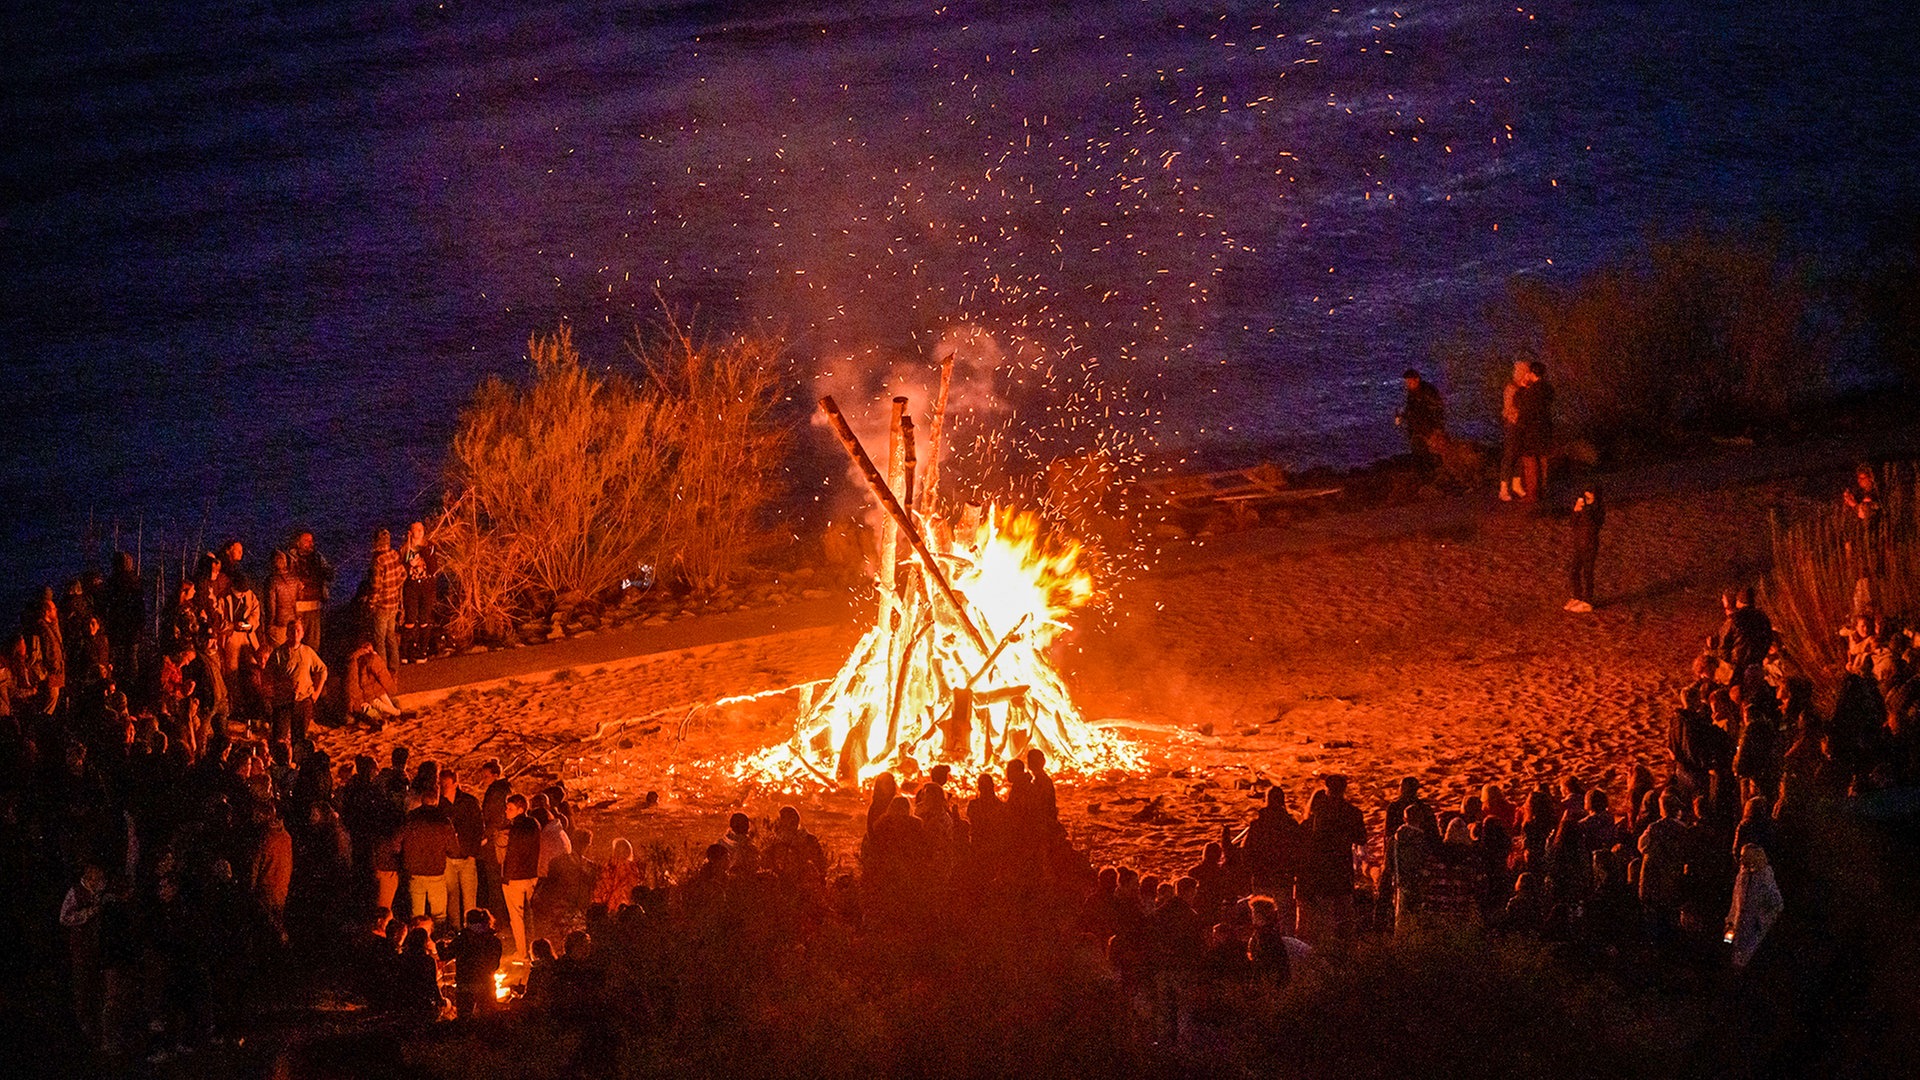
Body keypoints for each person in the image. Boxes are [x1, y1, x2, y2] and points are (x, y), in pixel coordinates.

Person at [401, 790, 459, 929]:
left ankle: (417, 941)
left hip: (414, 871)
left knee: (416, 914)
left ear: (422, 800)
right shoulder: (443, 820)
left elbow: (401, 842)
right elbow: (453, 849)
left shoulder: (411, 818)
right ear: (436, 800)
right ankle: (437, 941)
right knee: (439, 914)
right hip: (435, 872)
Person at [267, 618, 327, 749]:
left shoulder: (307, 652)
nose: (295, 633)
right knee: (279, 737)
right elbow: (268, 674)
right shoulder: (278, 653)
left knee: (299, 737)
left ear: (303, 633)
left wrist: (316, 693)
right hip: (283, 701)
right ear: (287, 633)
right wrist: (274, 690)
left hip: (304, 699)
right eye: (292, 631)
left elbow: (323, 670)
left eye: (298, 630)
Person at [1725, 843, 1782, 969]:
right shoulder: (1742, 876)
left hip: (1754, 929)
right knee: (1730, 949)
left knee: (1748, 958)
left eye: (1744, 856)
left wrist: (1760, 921)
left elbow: (1776, 904)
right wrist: (1730, 921)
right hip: (1738, 925)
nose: (1741, 859)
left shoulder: (1765, 878)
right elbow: (1736, 900)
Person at [439, 769, 484, 927]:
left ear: (455, 784)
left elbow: (479, 828)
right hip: (449, 857)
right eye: (441, 784)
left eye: (446, 784)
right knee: (452, 897)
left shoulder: (469, 802)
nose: (443, 787)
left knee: (469, 898)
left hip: (466, 857)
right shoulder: (440, 804)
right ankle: (456, 929)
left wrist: (473, 854)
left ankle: (471, 930)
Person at [501, 794, 541, 960]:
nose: (506, 811)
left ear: (520, 809)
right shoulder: (534, 824)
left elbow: (513, 855)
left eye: (510, 809)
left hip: (515, 878)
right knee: (532, 915)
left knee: (516, 918)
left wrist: (506, 877)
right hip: (532, 875)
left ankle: (522, 952)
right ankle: (537, 950)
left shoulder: (516, 828)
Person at [450, 909, 504, 1018]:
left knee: (464, 1020)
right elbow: (494, 966)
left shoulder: (461, 940)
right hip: (486, 985)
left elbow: (445, 955)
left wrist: (440, 945)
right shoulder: (494, 941)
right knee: (488, 1019)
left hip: (465, 985)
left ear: (467, 922)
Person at [399, 521, 439, 664]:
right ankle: (404, 651)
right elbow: (399, 569)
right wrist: (409, 564)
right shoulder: (405, 549)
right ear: (411, 532)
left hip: (427, 586)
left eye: (421, 529)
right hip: (411, 587)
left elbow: (434, 568)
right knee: (410, 619)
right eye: (416, 529)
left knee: (424, 619)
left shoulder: (430, 546)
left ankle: (422, 651)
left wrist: (424, 553)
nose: (420, 531)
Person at [367, 528, 405, 677]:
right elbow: (403, 574)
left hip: (382, 606)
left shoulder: (378, 561)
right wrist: (394, 588)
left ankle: (382, 672)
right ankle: (394, 667)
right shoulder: (394, 555)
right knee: (391, 636)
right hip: (394, 604)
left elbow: (376, 587)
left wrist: (371, 604)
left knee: (379, 639)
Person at [288, 531, 333, 651]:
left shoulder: (317, 558)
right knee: (295, 641)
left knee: (313, 643)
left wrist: (326, 572)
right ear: (298, 543)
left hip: (314, 606)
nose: (311, 544)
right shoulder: (290, 558)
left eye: (311, 541)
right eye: (307, 541)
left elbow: (330, 575)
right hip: (297, 607)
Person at [1564, 484, 1605, 613]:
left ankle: (1588, 601)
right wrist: (1576, 511)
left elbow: (1593, 524)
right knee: (1574, 571)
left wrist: (1585, 510)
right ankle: (1577, 596)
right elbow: (1573, 523)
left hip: (1590, 544)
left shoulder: (1598, 509)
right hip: (1579, 543)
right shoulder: (1584, 506)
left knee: (1588, 573)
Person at [1396, 368, 1446, 471]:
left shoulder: (1427, 391)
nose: (1407, 384)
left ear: (1417, 380)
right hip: (1416, 427)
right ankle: (1424, 470)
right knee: (1418, 450)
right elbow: (1410, 408)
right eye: (1406, 382)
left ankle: (1433, 470)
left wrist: (1436, 428)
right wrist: (1402, 416)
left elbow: (1437, 409)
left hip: (1427, 427)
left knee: (1430, 451)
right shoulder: (1412, 392)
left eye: (1409, 381)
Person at [345, 641, 401, 727]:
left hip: (369, 691)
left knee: (380, 700)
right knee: (371, 707)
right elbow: (383, 675)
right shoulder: (369, 659)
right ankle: (393, 714)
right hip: (362, 696)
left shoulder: (359, 660)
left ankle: (393, 714)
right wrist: (359, 701)